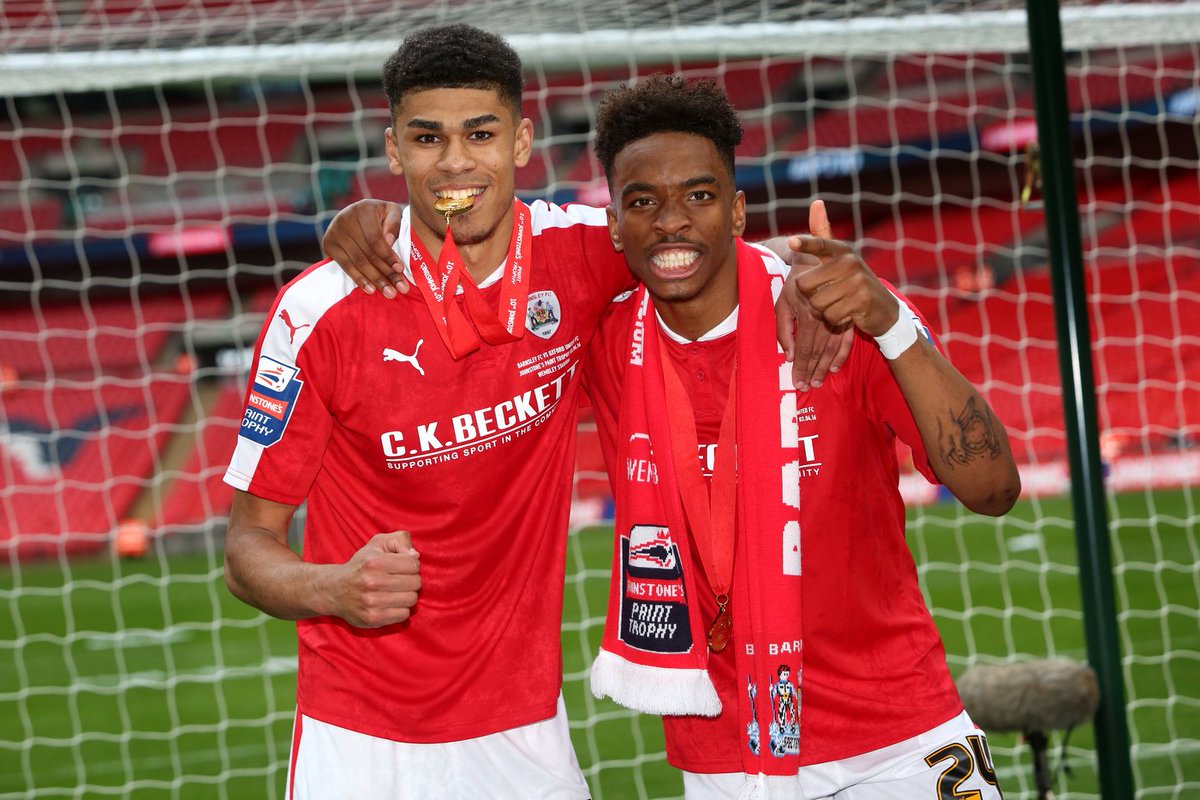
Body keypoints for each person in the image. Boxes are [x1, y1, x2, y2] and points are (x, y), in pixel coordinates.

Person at [575, 75, 1020, 798]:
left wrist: (891, 325)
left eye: (699, 194)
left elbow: (993, 488)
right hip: (724, 753)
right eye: (642, 201)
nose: (672, 221)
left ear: (738, 210)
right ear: (616, 224)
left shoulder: (837, 312)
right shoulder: (600, 337)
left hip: (898, 733)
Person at [222, 24, 637, 800]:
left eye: (479, 134)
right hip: (358, 735)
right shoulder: (319, 312)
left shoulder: (583, 252)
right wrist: (333, 590)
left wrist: (824, 284)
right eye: (427, 137)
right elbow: (248, 545)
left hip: (523, 727)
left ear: (521, 139)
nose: (454, 162)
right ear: (392, 150)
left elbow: (707, 246)